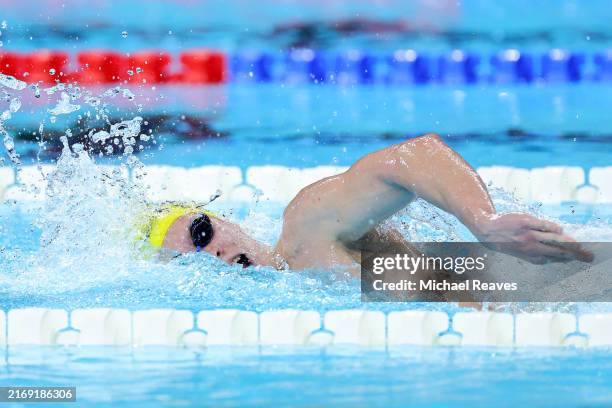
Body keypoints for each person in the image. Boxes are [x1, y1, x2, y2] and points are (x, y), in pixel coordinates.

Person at [140, 134, 591, 274]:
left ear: (222, 220)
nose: (212, 251)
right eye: (190, 257)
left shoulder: (305, 229)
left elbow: (415, 154)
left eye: (202, 232)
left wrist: (483, 221)